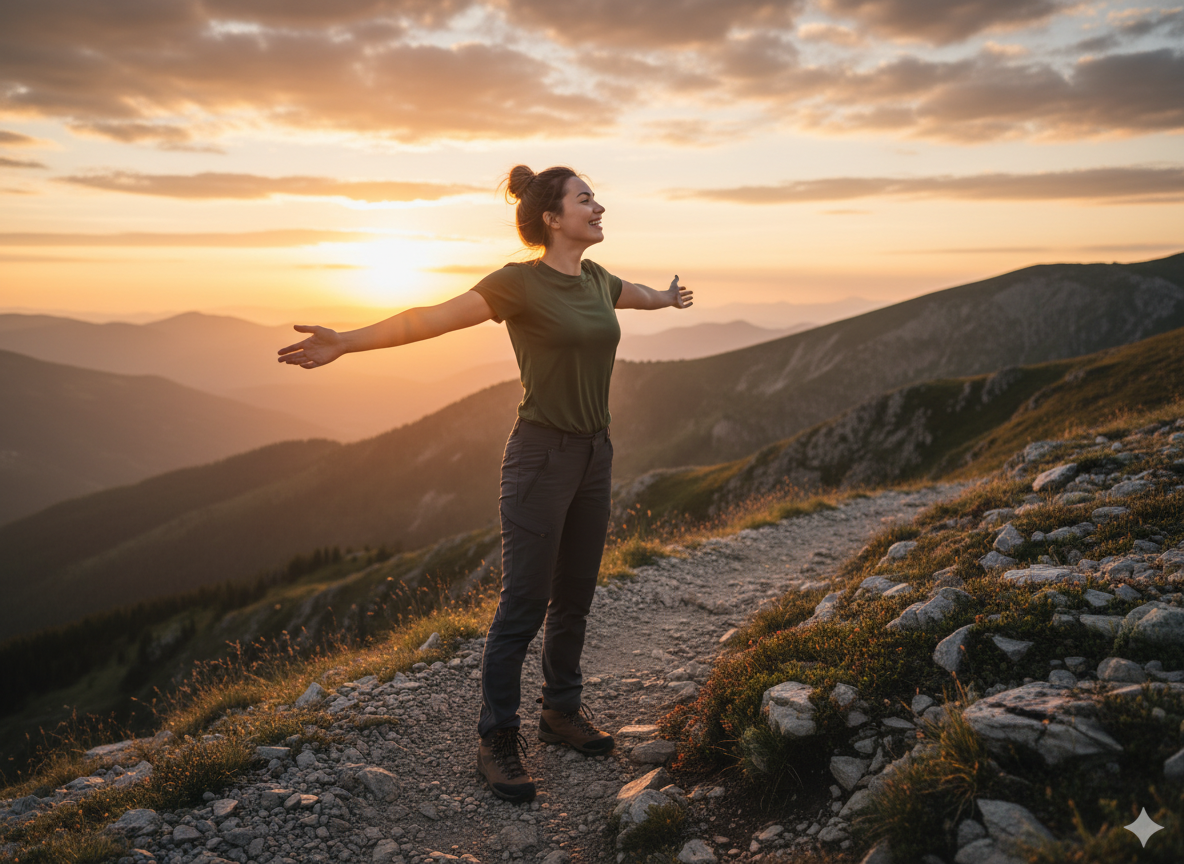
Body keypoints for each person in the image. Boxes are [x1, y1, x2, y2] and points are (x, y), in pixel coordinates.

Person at [277, 164, 693, 803]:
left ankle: (560, 711)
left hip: (595, 455)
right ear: (552, 218)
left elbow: (631, 294)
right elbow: (433, 317)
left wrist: (665, 297)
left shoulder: (597, 279)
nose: (599, 207)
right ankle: (496, 737)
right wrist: (348, 343)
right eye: (586, 199)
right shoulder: (517, 284)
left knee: (576, 593)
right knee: (525, 601)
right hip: (540, 457)